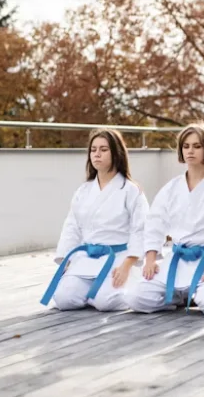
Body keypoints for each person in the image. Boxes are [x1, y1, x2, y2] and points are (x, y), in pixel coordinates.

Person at [124, 122, 204, 316]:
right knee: (135, 298)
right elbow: (155, 224)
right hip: (177, 260)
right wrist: (150, 259)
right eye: (186, 146)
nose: (190, 151)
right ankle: (180, 296)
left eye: (197, 146)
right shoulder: (171, 188)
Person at [40, 128, 148, 311]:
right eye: (93, 149)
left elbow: (141, 230)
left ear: (116, 153)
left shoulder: (131, 190)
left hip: (118, 260)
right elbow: (72, 227)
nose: (97, 154)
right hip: (86, 258)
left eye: (104, 149)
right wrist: (66, 260)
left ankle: (121, 290)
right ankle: (91, 292)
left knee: (106, 302)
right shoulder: (84, 191)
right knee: (64, 299)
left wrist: (128, 265)